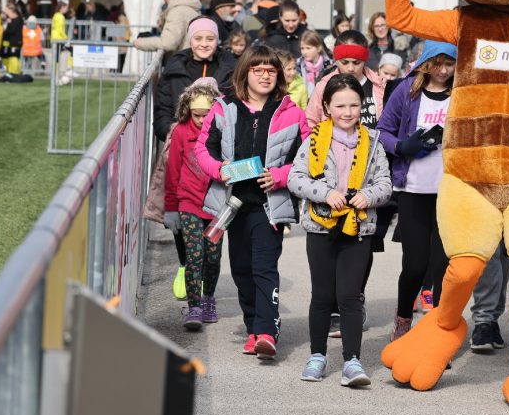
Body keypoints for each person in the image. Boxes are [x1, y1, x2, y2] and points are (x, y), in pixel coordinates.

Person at [195, 45, 310, 360]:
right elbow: (203, 149)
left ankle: (267, 332)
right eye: (258, 70)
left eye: (271, 70)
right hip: (232, 205)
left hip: (269, 206)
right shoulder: (224, 108)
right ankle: (252, 328)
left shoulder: (292, 112)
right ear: (245, 73)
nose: (265, 76)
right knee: (242, 269)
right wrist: (218, 169)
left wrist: (280, 176)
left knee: (263, 267)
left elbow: (306, 159)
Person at [288, 74, 393, 386]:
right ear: (327, 107)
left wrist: (368, 196)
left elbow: (385, 184)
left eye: (354, 105)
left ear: (362, 106)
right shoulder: (314, 140)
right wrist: (325, 192)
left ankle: (352, 361)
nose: (348, 112)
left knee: (349, 295)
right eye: (340, 106)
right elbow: (295, 178)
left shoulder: (373, 143)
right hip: (321, 227)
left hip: (358, 227)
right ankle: (317, 356)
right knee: (322, 295)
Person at [376, 40, 456, 341]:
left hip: (450, 191)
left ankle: (438, 332)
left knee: (443, 267)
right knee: (414, 265)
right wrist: (401, 147)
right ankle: (403, 319)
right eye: (438, 63)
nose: (444, 70)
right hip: (413, 189)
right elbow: (382, 131)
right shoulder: (406, 90)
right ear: (426, 62)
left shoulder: (462, 93)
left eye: (450, 64)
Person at [164, 79, 224, 331]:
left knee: (213, 256)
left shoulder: (222, 132)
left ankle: (208, 298)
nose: (200, 120)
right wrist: (170, 207)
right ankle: (194, 306)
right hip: (188, 202)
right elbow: (172, 171)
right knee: (194, 255)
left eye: (205, 115)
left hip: (217, 205)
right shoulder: (180, 132)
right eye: (195, 115)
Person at [153, 17, 237, 142]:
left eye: (210, 39)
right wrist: (171, 130)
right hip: (183, 141)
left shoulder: (232, 69)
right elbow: (163, 108)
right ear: (190, 40)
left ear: (217, 40)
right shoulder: (175, 69)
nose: (204, 44)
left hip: (219, 143)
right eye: (198, 38)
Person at [305, 30, 386, 130]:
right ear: (336, 60)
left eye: (356, 62)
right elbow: (310, 122)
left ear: (364, 60)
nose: (350, 68)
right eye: (345, 62)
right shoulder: (323, 86)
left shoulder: (379, 85)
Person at [134, 0, 202, 54]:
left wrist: (140, 43)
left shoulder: (177, 11)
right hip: (190, 57)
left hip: (182, 59)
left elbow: (168, 43)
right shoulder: (190, 6)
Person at [298, 29, 331, 102]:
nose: (304, 52)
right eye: (302, 48)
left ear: (319, 48)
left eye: (308, 48)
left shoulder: (329, 65)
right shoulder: (298, 65)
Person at [0, 2, 23, 74]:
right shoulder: (9, 19)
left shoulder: (17, 20)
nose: (5, 11)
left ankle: (14, 72)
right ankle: (10, 71)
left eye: (6, 9)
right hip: (7, 42)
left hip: (15, 42)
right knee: (6, 56)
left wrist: (5, 28)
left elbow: (12, 30)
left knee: (13, 57)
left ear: (10, 10)